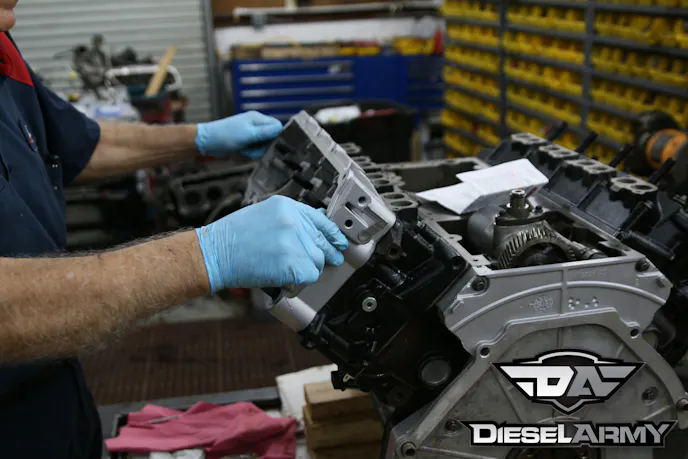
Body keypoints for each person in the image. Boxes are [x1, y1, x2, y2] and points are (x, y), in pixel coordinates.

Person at [0, 3, 348, 458]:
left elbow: (79, 143)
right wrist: (206, 256)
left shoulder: (3, 47)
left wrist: (199, 137)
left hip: (56, 391)